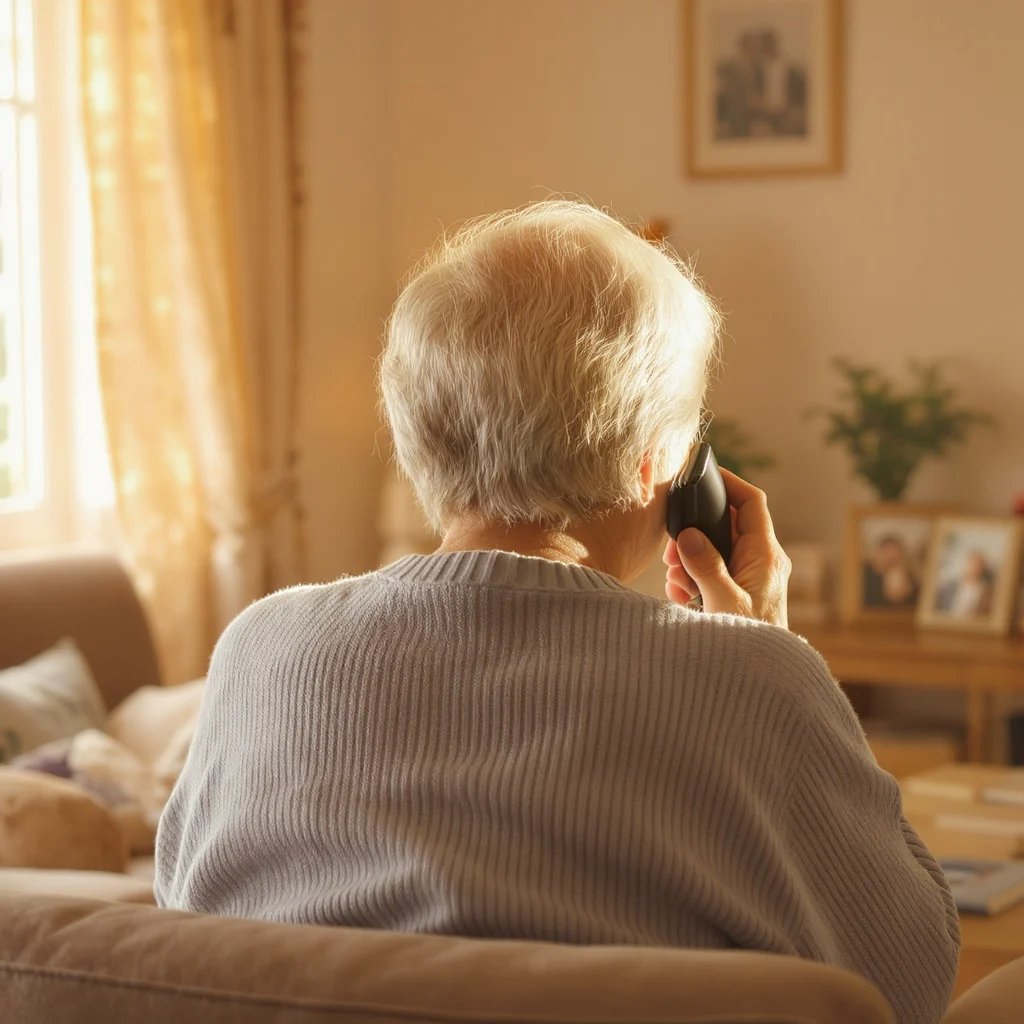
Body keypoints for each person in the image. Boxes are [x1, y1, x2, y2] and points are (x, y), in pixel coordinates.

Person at [155, 201, 958, 1024]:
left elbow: (184, 912)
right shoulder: (748, 675)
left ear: (412, 435)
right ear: (662, 463)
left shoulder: (259, 647)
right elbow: (906, 981)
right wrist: (769, 659)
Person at [863, 534, 920, 608]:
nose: (891, 559)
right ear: (878, 553)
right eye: (887, 554)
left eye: (896, 556)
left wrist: (908, 592)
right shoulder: (865, 574)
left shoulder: (908, 577)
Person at [936, 549, 996, 617]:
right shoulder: (949, 586)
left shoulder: (987, 591)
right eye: (972, 564)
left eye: (978, 565)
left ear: (983, 568)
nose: (974, 568)